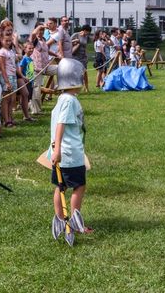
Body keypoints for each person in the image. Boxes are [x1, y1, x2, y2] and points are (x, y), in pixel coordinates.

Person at [49, 58, 92, 233]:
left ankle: (62, 220)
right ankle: (74, 222)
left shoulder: (64, 98)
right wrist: (58, 149)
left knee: (61, 187)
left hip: (66, 152)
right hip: (69, 153)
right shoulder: (69, 100)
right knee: (79, 186)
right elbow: (61, 124)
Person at [0, 35, 26, 127]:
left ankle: (10, 118)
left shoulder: (11, 51)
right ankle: (6, 120)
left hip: (13, 76)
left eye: (10, 41)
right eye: (6, 41)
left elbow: (15, 66)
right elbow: (2, 67)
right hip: (6, 77)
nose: (9, 43)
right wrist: (6, 81)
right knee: (6, 99)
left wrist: (22, 76)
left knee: (12, 99)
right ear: (1, 40)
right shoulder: (2, 52)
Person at [31, 25, 58, 113]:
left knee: (61, 68)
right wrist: (41, 26)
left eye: (43, 30)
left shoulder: (44, 39)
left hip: (46, 66)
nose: (41, 32)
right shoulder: (34, 40)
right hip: (36, 68)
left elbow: (46, 50)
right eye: (40, 30)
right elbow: (33, 34)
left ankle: (60, 87)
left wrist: (56, 55)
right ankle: (36, 110)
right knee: (36, 89)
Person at [71, 24, 92, 91]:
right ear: (84, 30)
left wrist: (86, 55)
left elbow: (85, 46)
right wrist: (75, 41)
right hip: (75, 56)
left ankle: (86, 87)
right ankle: (76, 86)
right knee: (76, 72)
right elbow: (68, 43)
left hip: (83, 57)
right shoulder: (76, 35)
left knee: (84, 72)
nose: (88, 33)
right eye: (88, 32)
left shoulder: (86, 37)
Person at [19, 42, 37, 116]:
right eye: (29, 48)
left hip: (31, 81)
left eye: (32, 48)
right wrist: (24, 77)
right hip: (26, 82)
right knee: (25, 98)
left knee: (29, 98)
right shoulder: (24, 59)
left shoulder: (30, 59)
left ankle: (26, 113)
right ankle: (25, 115)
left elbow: (31, 71)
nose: (31, 50)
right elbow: (20, 70)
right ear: (25, 49)